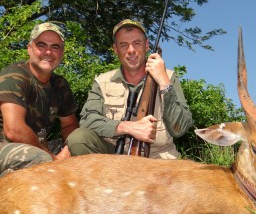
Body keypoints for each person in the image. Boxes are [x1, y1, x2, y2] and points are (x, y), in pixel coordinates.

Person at [67, 19, 193, 159]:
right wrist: (128, 127)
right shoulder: (102, 81)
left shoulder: (168, 77)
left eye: (136, 43)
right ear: (115, 49)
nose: (131, 50)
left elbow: (180, 128)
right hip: (112, 157)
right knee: (78, 138)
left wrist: (163, 82)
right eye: (124, 45)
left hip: (159, 159)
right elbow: (87, 120)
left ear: (146, 45)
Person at [0, 22, 79, 176]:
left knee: (82, 147)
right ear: (30, 49)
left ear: (61, 53)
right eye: (41, 45)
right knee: (39, 159)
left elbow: (69, 125)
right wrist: (53, 158)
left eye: (55, 47)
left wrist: (68, 149)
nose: (48, 52)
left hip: (39, 145)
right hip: (5, 145)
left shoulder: (60, 84)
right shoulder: (14, 75)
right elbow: (13, 130)